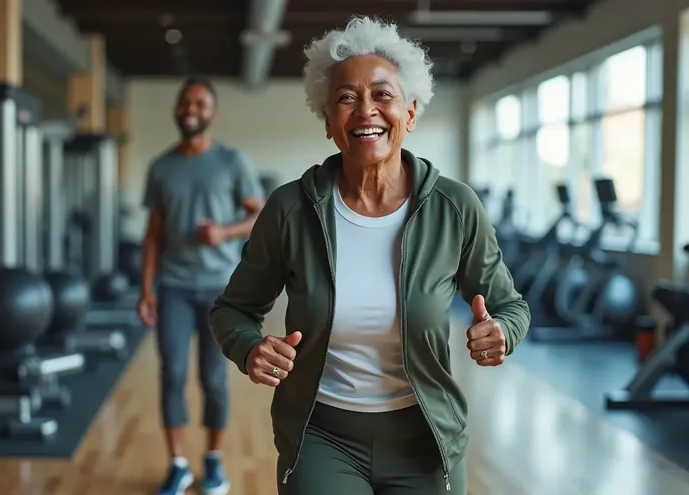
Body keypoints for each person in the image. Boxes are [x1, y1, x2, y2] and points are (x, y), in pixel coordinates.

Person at [210, 16, 531, 495]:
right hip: (321, 436)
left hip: (425, 440)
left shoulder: (455, 207)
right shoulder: (290, 209)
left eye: (383, 94)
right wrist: (250, 347)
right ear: (327, 120)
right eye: (346, 97)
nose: (366, 111)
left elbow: (511, 306)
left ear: (411, 112)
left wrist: (501, 332)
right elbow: (232, 310)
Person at [138, 74, 265, 495]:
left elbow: (258, 216)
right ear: (177, 109)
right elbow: (153, 234)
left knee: (213, 379)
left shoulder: (233, 162)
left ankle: (212, 461)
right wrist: (146, 288)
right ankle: (177, 464)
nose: (191, 109)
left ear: (212, 113)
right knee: (172, 373)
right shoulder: (161, 166)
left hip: (219, 290)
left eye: (200, 103)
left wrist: (224, 233)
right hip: (173, 286)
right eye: (185, 102)